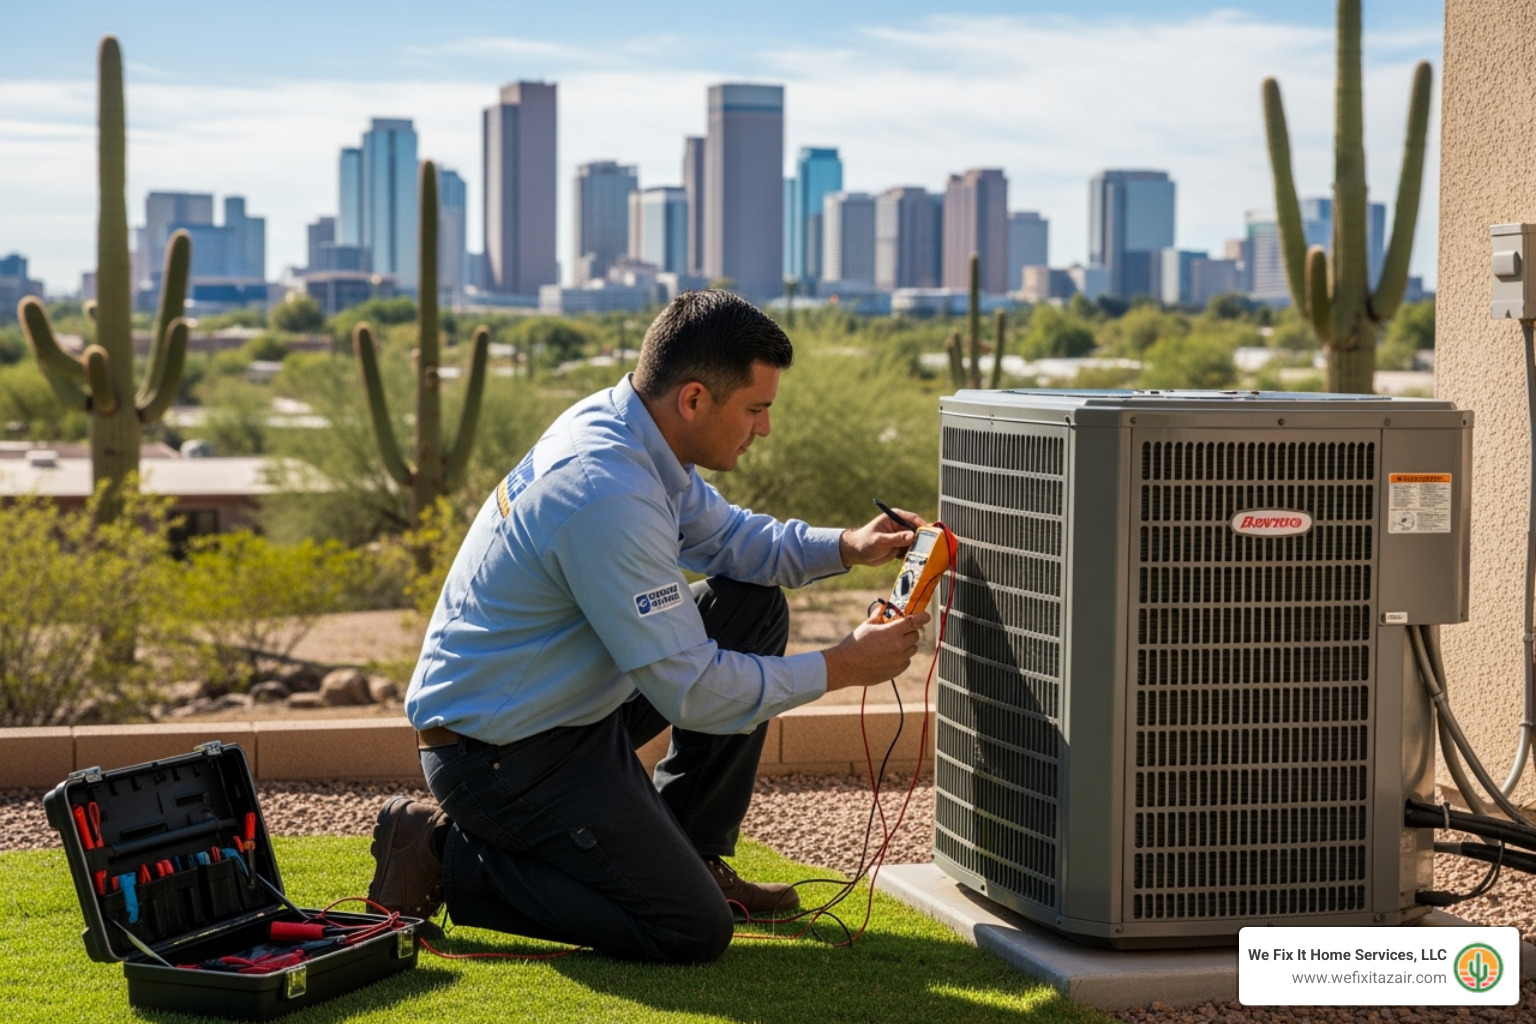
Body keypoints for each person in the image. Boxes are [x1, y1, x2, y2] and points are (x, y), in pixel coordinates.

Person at [367, 289, 930, 964]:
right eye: (756, 409)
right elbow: (692, 690)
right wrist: (842, 666)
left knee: (751, 605)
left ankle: (692, 850)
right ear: (694, 400)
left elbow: (731, 540)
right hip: (499, 756)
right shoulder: (605, 489)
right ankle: (440, 850)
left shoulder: (636, 430)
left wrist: (846, 546)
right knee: (690, 929)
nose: (765, 429)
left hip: (562, 706)